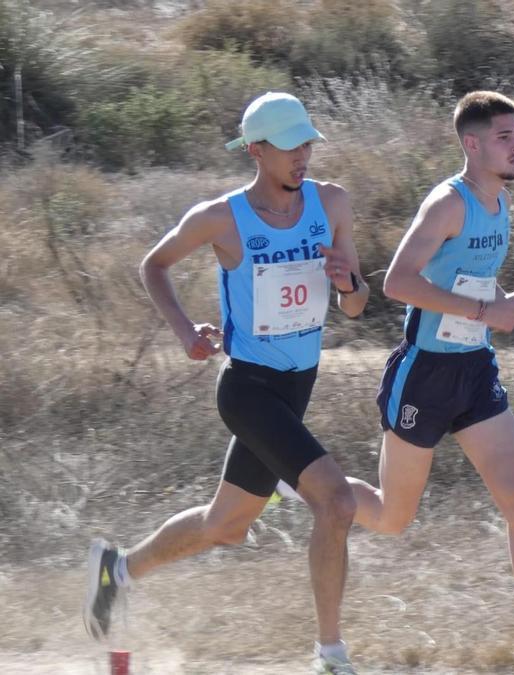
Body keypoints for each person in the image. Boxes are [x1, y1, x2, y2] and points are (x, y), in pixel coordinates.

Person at [83, 92, 369, 674]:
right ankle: (330, 656)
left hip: (298, 387)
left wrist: (347, 284)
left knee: (225, 526)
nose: (303, 156)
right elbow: (153, 265)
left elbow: (359, 305)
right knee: (336, 503)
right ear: (257, 151)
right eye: (290, 147)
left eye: (308, 143)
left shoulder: (332, 203)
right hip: (248, 390)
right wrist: (186, 331)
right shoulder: (221, 217)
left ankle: (118, 569)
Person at [344, 91, 514, 675]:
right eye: (504, 136)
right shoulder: (449, 203)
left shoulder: (499, 205)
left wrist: (501, 302)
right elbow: (397, 281)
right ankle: (300, 479)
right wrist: (484, 313)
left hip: (475, 371)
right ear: (471, 145)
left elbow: (466, 284)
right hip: (425, 374)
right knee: (393, 518)